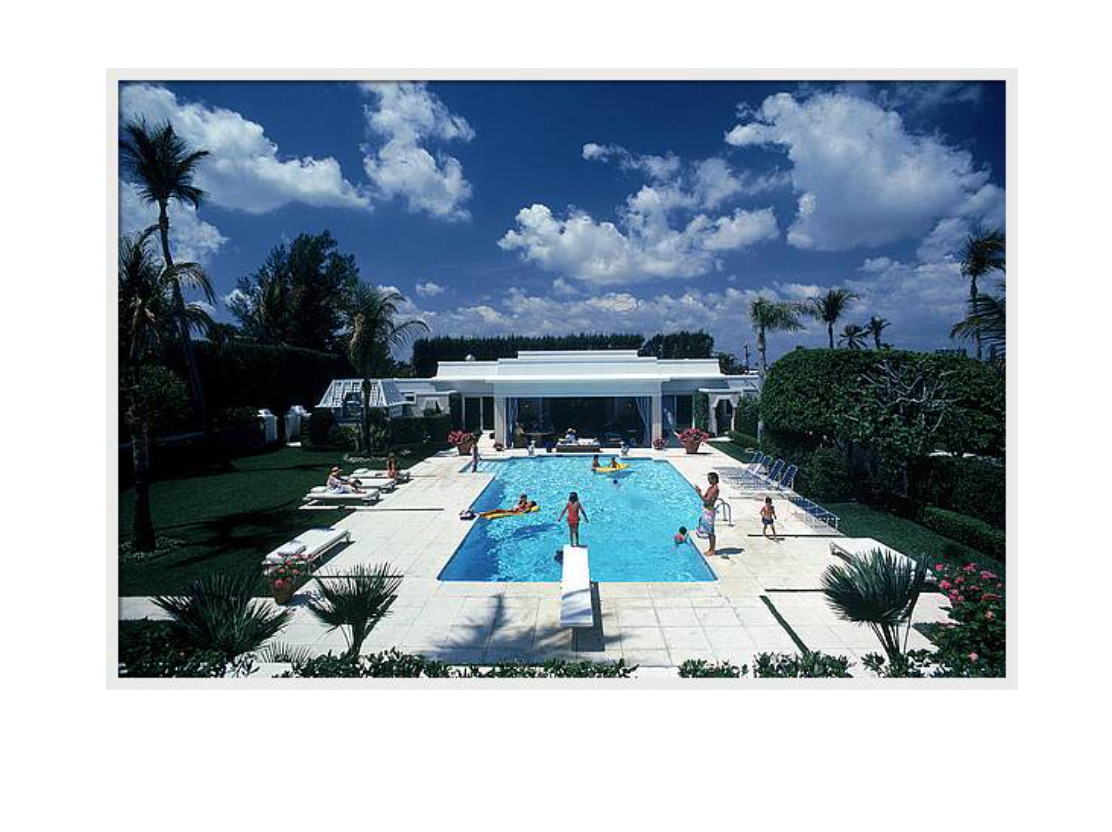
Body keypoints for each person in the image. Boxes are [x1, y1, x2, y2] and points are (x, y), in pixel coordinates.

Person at [694, 471, 720, 557]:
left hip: (709, 511)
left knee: (711, 531)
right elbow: (704, 498)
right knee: (707, 530)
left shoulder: (715, 489)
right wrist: (700, 492)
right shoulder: (710, 488)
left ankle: (712, 550)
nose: (708, 480)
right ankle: (710, 549)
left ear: (714, 479)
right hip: (706, 510)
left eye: (709, 479)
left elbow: (707, 500)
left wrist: (699, 493)